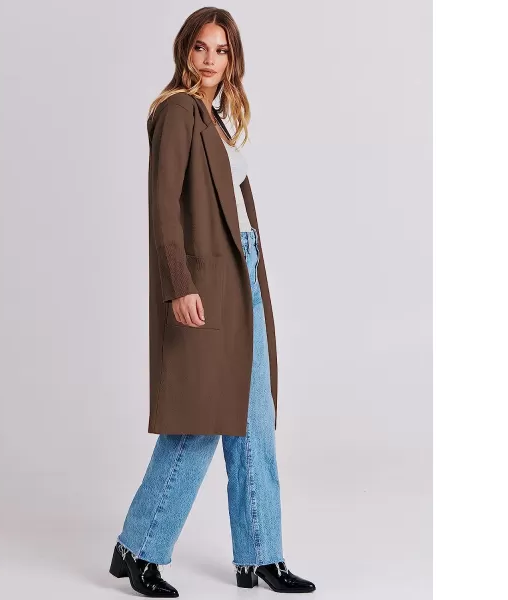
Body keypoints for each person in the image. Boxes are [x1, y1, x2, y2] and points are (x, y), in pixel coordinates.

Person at [109, 7, 316, 597]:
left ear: (233, 59)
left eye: (221, 51)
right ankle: (138, 547)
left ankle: (262, 555)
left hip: (242, 272)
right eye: (201, 47)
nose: (209, 60)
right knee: (200, 421)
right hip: (206, 281)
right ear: (185, 50)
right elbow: (164, 207)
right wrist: (180, 284)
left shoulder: (217, 118)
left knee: (253, 423)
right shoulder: (177, 111)